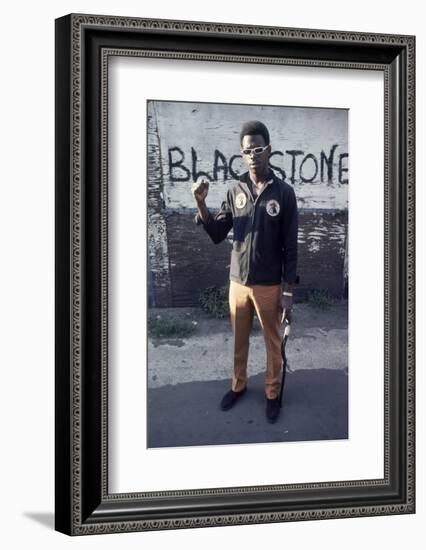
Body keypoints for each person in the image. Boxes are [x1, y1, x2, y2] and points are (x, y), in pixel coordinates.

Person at [192, 120, 298, 423]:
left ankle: (272, 393)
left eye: (258, 149)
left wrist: (288, 291)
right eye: (247, 151)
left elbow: (291, 247)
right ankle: (238, 386)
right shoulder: (235, 190)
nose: (253, 155)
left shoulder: (284, 193)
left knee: (272, 343)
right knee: (239, 341)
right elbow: (216, 232)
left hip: (269, 286)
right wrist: (201, 205)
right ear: (242, 155)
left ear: (269, 151)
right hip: (237, 283)